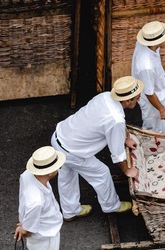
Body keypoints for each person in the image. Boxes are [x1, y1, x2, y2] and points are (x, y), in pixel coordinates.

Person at [51, 76, 144, 221]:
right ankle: (111, 206)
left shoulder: (105, 96)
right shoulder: (115, 120)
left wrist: (125, 137)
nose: (138, 100)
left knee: (67, 176)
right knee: (102, 173)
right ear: (127, 101)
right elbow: (117, 154)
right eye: (137, 98)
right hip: (73, 151)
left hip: (60, 135)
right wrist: (127, 170)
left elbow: (119, 122)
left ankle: (70, 211)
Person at [15, 146, 66, 250]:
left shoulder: (27, 175)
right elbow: (26, 230)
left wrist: (25, 222)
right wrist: (24, 227)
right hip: (46, 238)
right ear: (50, 172)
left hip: (40, 232)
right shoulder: (37, 201)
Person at [131, 20, 165, 134]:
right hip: (153, 102)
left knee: (163, 128)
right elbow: (149, 93)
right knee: (155, 130)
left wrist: (162, 60)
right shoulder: (146, 66)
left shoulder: (147, 44)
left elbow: (153, 59)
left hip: (158, 93)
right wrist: (161, 109)